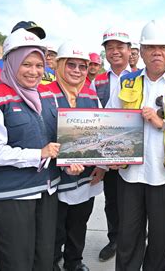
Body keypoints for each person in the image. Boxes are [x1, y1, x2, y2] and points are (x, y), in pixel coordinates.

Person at [0, 29, 76, 270]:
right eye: (26, 64)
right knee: (16, 262)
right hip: (12, 196)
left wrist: (70, 161)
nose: (34, 71)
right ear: (10, 63)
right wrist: (37, 154)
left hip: (46, 193)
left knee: (44, 260)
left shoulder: (48, 97)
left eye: (39, 65)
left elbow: (57, 142)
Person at [109, 20, 165, 270]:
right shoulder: (127, 82)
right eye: (150, 47)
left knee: (160, 238)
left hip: (164, 174)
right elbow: (109, 118)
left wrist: (163, 122)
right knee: (128, 236)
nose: (156, 52)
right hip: (129, 173)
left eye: (162, 47)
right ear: (141, 50)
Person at [49, 42, 106, 271]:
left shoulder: (92, 98)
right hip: (55, 177)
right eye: (70, 65)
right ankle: (52, 262)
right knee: (55, 226)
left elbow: (102, 136)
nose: (76, 70)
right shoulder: (44, 94)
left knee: (79, 222)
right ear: (59, 65)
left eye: (82, 67)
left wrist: (102, 167)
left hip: (85, 176)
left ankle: (74, 261)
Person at [96, 28, 133, 262]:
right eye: (110, 48)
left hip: (134, 149)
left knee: (135, 200)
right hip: (106, 150)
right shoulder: (97, 81)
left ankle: (135, 237)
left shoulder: (141, 77)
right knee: (112, 199)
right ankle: (115, 239)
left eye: (120, 47)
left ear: (130, 51)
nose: (115, 52)